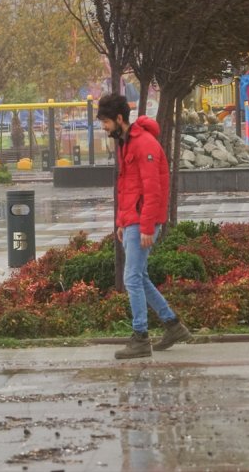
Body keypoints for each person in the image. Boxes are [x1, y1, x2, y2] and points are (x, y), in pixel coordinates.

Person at [96, 93, 191, 359]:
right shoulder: (125, 142)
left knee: (131, 279)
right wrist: (121, 222)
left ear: (118, 119)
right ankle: (172, 325)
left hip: (143, 221)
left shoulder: (144, 144)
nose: (103, 127)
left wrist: (147, 226)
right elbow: (127, 186)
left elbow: (153, 189)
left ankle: (140, 337)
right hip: (133, 221)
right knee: (139, 277)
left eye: (105, 121)